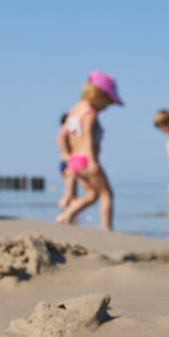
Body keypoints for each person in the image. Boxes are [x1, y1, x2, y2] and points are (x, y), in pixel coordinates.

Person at [56, 71, 124, 230]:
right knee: (107, 194)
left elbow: (61, 135)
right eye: (108, 102)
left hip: (75, 161)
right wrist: (92, 161)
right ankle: (107, 228)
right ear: (98, 96)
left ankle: (66, 215)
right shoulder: (90, 114)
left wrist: (66, 154)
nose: (108, 107)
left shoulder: (74, 111)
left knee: (93, 194)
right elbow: (87, 137)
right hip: (87, 160)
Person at [56, 112, 77, 210]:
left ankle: (71, 215)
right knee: (69, 192)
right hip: (68, 163)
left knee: (72, 192)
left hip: (67, 162)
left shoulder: (66, 132)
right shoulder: (64, 133)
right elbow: (65, 152)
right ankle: (64, 214)